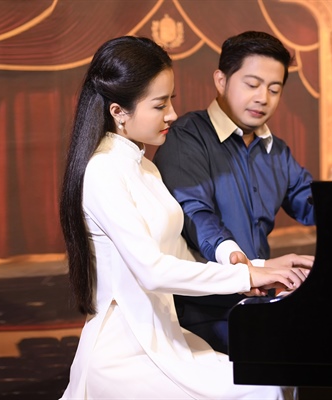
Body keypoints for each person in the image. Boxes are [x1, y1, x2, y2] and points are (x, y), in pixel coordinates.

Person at [58, 35, 310, 399]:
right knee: (261, 389)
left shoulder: (145, 168)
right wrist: (246, 274)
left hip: (166, 337)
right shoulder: (102, 171)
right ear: (118, 111)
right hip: (126, 349)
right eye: (160, 104)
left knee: (267, 383)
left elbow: (179, 257)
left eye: (171, 101)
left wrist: (261, 267)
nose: (172, 114)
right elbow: (153, 271)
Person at [153, 30, 332, 354]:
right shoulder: (187, 137)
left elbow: (312, 206)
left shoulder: (276, 151)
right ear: (221, 81)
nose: (263, 97)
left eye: (274, 89)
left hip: (260, 299)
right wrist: (237, 260)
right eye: (252, 84)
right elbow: (194, 212)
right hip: (204, 310)